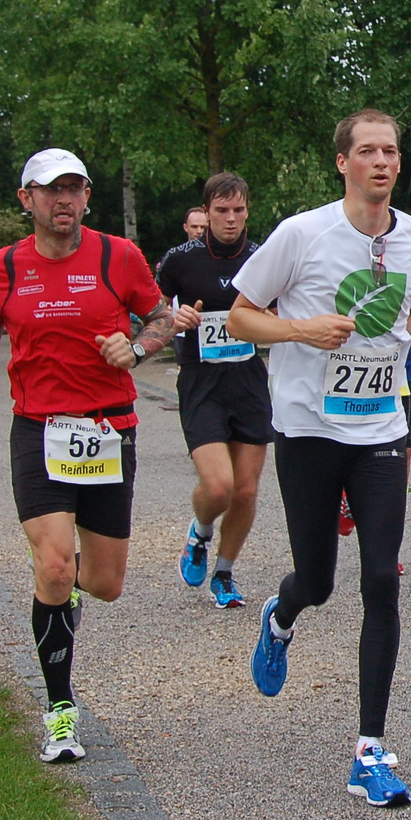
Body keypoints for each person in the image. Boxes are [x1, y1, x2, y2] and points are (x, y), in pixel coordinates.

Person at [227, 109, 411, 808]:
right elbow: (240, 315)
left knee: (381, 578)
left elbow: (410, 308)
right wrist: (300, 329)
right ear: (343, 162)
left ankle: (369, 750)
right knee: (319, 580)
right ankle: (281, 614)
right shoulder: (302, 233)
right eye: (368, 150)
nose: (382, 161)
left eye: (391, 150)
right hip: (308, 429)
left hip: (381, 425)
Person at [0, 148, 172, 765]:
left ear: (87, 196)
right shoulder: (3, 266)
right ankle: (60, 709)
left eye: (73, 188)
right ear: (27, 199)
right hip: (38, 430)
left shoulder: (118, 256)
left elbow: (161, 317)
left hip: (109, 428)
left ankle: (58, 583)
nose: (63, 200)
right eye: (50, 189)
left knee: (105, 584)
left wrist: (137, 349)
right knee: (57, 566)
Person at [153, 172, 272, 609]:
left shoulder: (262, 258)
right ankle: (200, 533)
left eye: (238, 210)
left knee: (245, 491)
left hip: (248, 381)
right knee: (219, 486)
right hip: (201, 382)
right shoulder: (180, 260)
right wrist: (175, 319)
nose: (230, 219)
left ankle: (224, 572)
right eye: (221, 210)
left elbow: (286, 310)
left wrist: (273, 318)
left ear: (248, 211)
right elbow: (151, 312)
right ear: (206, 212)